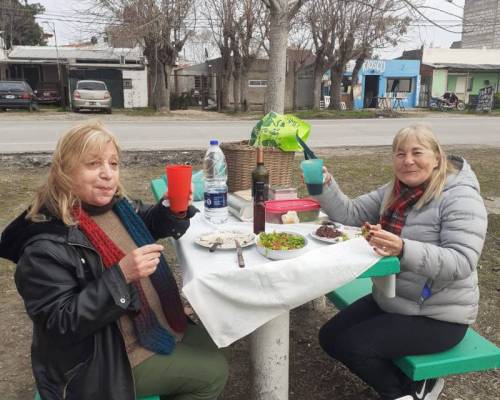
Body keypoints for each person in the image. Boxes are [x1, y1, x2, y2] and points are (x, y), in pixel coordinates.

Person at [0, 121, 228, 400]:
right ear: (65, 170)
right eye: (94, 164)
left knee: (215, 339)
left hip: (147, 327)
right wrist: (121, 277)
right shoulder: (44, 242)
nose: (108, 174)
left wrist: (170, 209)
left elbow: (147, 222)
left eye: (113, 164)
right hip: (103, 361)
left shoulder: (114, 207)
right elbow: (60, 324)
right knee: (213, 374)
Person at [313, 124, 487, 400]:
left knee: (353, 345)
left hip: (439, 316)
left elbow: (462, 262)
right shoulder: (395, 190)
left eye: (417, 152)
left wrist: (404, 249)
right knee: (330, 337)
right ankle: (410, 385)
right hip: (394, 299)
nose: (408, 160)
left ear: (437, 158)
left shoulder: (460, 196)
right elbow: (350, 213)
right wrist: (325, 187)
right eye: (400, 153)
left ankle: (404, 392)